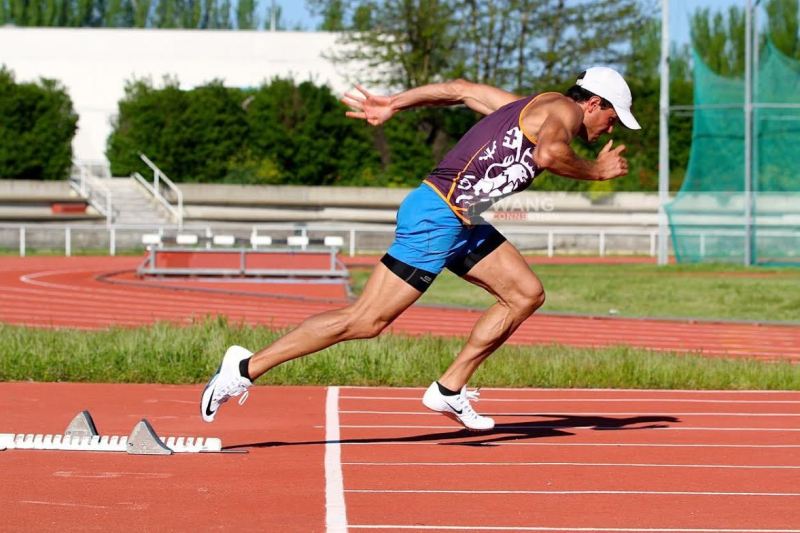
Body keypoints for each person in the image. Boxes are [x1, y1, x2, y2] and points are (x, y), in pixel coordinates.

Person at [201, 66, 640, 431]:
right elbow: (549, 155)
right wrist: (597, 173)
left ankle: (448, 389)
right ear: (593, 102)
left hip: (463, 218)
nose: (610, 127)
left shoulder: (529, 106)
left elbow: (459, 90)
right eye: (613, 117)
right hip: (438, 215)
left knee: (525, 294)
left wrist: (394, 102)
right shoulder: (562, 110)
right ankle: (242, 370)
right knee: (366, 320)